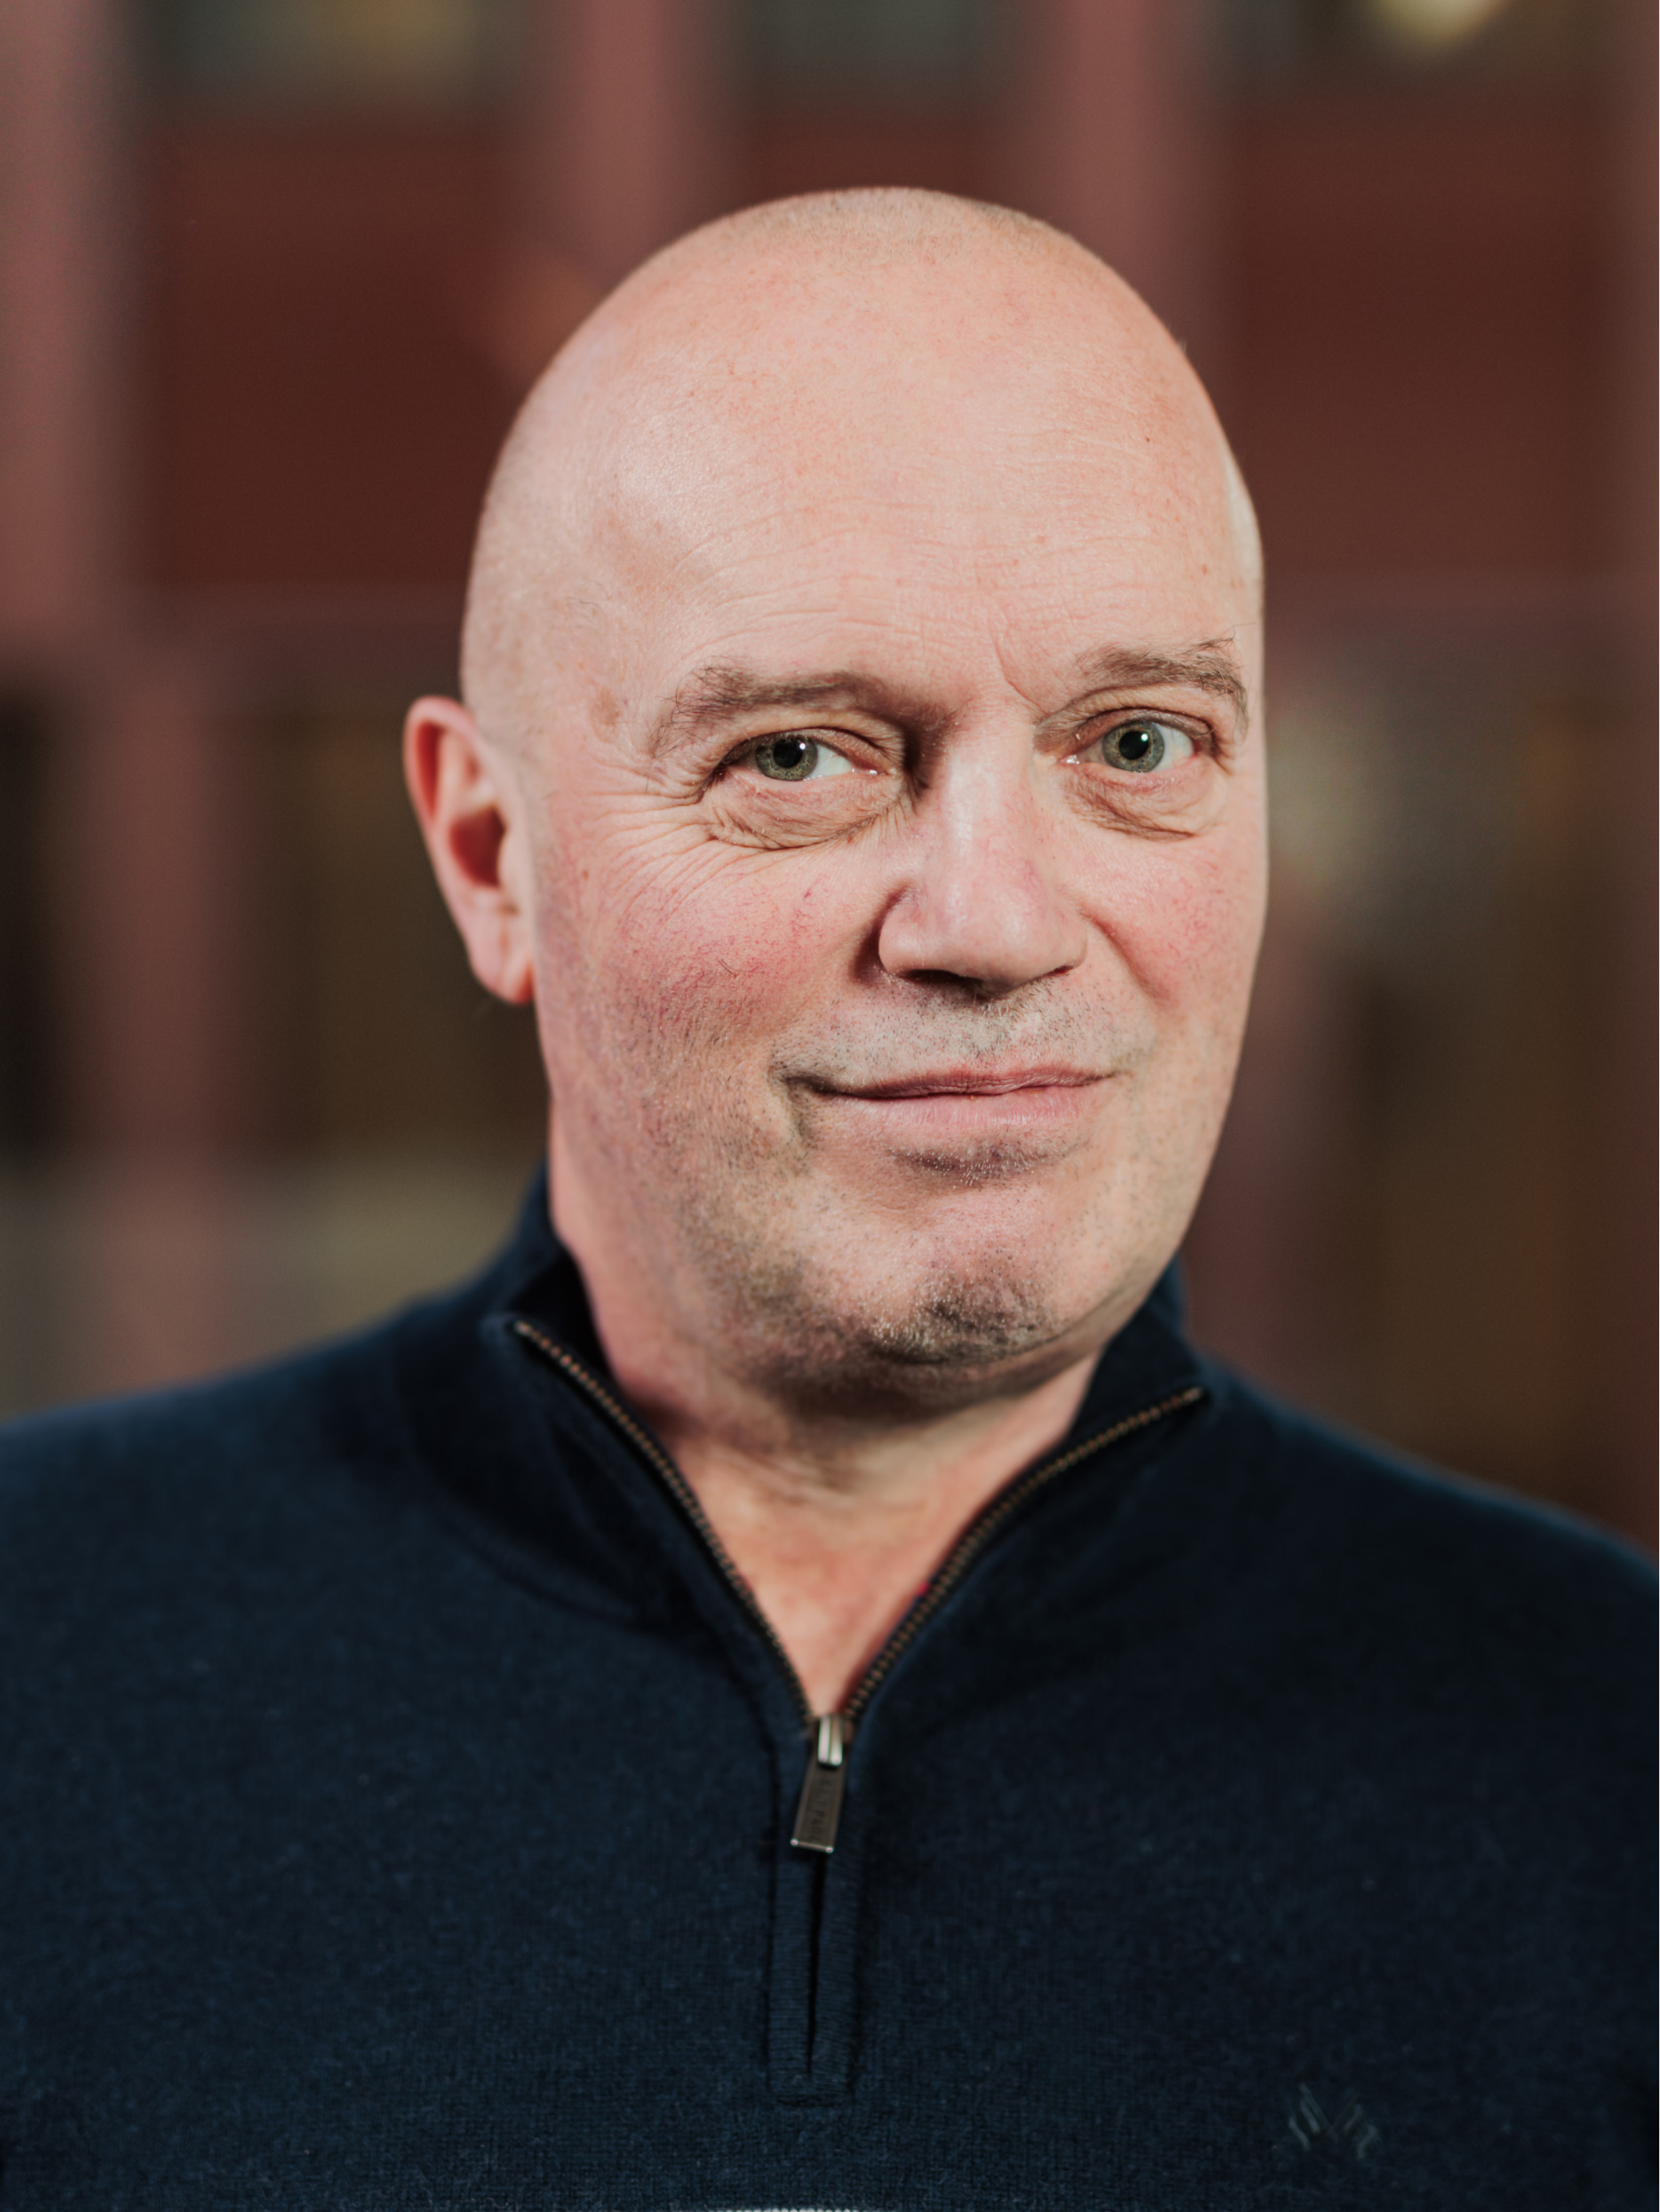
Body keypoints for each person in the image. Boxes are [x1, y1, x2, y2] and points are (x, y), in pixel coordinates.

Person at [0, 190, 1649, 2208]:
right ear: (486, 855)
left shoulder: (1606, 1756)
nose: (992, 919)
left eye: (1136, 741)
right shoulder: (39, 1672)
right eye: (801, 755)